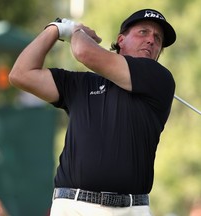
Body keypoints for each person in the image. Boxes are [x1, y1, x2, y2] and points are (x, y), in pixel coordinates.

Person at [9, 8, 176, 216]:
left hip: (132, 209)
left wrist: (75, 30)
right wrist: (56, 28)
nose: (151, 40)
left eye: (157, 38)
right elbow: (20, 74)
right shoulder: (81, 84)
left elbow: (84, 52)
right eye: (143, 32)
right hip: (73, 206)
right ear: (120, 40)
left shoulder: (159, 79)